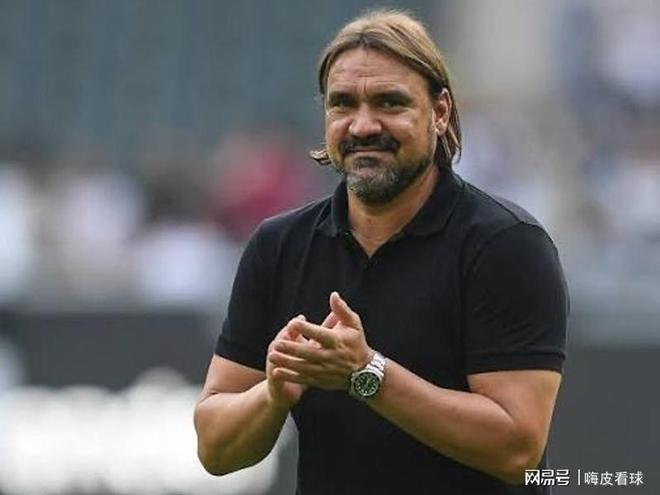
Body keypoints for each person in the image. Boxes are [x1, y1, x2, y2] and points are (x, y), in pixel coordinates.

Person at [194, 9, 568, 495]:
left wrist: (365, 373)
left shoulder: (507, 244)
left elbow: (518, 450)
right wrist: (273, 393)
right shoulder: (279, 245)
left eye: (390, 103)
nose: (363, 125)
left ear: (440, 112)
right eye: (343, 104)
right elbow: (215, 449)